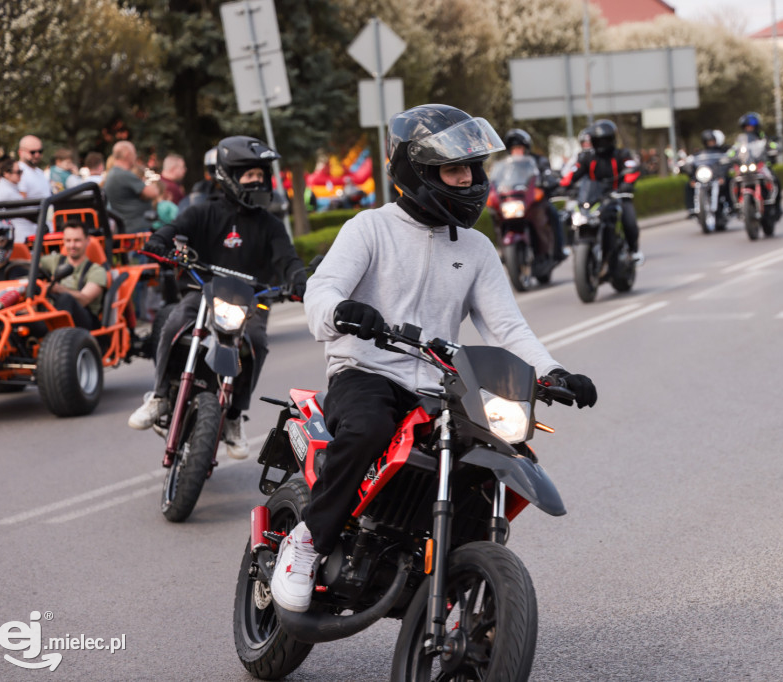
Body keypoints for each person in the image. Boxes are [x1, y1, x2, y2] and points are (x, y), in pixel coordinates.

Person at [270, 104, 598, 614]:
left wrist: (553, 373)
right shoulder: (369, 229)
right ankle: (308, 540)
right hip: (366, 371)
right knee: (367, 428)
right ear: (415, 171)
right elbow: (321, 292)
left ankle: (461, 571)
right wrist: (342, 310)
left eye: (471, 168)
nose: (468, 180)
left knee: (495, 452)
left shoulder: (478, 248)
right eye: (454, 169)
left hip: (438, 383)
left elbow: (507, 327)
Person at [127, 135, 308, 460]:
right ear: (228, 176)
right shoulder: (202, 212)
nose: (258, 181)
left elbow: (288, 260)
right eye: (249, 175)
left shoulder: (271, 224)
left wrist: (298, 280)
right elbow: (174, 228)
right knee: (174, 324)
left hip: (253, 302)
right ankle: (157, 397)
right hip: (204, 293)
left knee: (257, 341)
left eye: (260, 175)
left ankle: (235, 416)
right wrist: (160, 240)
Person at [559, 119, 644, 264]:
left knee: (629, 221)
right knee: (569, 216)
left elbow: (631, 168)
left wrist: (627, 184)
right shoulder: (587, 157)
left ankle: (633, 251)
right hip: (593, 198)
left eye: (605, 140)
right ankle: (571, 246)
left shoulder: (621, 154)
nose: (602, 144)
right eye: (598, 140)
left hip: (617, 196)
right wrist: (561, 185)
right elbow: (574, 173)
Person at [504, 127, 567, 261]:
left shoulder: (539, 161)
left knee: (554, 214)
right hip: (516, 202)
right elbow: (499, 181)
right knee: (498, 216)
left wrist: (549, 181)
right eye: (514, 148)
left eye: (519, 147)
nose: (517, 151)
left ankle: (558, 250)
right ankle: (504, 251)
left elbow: (547, 174)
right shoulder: (507, 166)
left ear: (526, 148)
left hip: (535, 202)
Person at [38, 219, 107, 330]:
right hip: (53, 315)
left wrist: (58, 289)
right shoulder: (55, 261)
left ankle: (50, 334)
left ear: (87, 241)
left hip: (85, 323)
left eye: (77, 240)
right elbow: (29, 265)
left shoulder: (96, 270)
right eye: (68, 241)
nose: (72, 245)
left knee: (66, 299)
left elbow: (84, 299)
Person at [731, 112, 783, 218]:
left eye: (751, 126)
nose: (749, 128)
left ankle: (777, 207)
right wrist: (727, 156)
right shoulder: (740, 140)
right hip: (745, 166)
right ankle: (736, 207)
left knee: (775, 180)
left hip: (761, 166)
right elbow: (733, 150)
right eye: (747, 126)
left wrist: (775, 148)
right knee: (734, 182)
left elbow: (772, 145)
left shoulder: (762, 137)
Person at [104, 140, 158, 233]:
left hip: (127, 227)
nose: (136, 157)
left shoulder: (113, 174)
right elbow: (153, 193)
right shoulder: (123, 174)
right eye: (134, 153)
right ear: (128, 154)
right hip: (135, 229)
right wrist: (147, 188)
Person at [683, 129, 731, 216]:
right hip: (705, 178)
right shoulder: (700, 154)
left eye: (712, 141)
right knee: (688, 184)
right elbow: (693, 165)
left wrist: (722, 176)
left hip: (717, 177)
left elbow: (727, 163)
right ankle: (691, 208)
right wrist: (692, 176)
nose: (711, 143)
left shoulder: (723, 151)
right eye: (709, 142)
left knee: (729, 181)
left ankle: (731, 206)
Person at [0, 156, 36, 243]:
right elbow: (26, 210)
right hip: (20, 234)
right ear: (6, 174)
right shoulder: (6, 191)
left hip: (20, 231)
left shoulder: (9, 186)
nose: (21, 175)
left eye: (21, 172)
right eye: (18, 172)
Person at [16, 135, 51, 202]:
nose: (37, 155)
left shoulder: (39, 171)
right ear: (20, 152)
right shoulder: (17, 172)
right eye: (32, 152)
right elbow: (20, 201)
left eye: (40, 151)